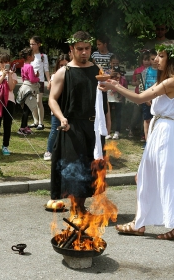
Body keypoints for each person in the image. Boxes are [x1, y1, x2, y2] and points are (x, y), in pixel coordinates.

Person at [99, 40, 174, 240]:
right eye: (156, 55)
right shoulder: (166, 80)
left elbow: (139, 99)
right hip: (160, 128)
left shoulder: (171, 81)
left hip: (165, 131)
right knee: (145, 176)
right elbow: (150, 100)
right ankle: (140, 222)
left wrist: (114, 85)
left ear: (172, 59)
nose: (156, 59)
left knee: (166, 179)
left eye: (161, 56)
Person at [48, 31, 107, 212]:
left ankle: (81, 206)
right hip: (72, 126)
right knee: (76, 168)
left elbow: (104, 102)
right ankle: (77, 208)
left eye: (87, 48)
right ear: (71, 49)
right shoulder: (64, 72)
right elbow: (52, 99)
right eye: (79, 49)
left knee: (92, 168)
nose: (84, 52)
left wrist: (107, 126)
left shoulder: (97, 71)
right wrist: (62, 118)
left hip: (94, 126)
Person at [43, 54, 70, 161]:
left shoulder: (72, 75)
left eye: (66, 65)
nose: (63, 67)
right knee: (55, 130)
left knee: (67, 130)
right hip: (57, 107)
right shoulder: (55, 76)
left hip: (68, 107)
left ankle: (64, 151)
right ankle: (49, 151)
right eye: (61, 65)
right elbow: (52, 93)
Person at [0, 53, 17, 155]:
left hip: (9, 101)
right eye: (2, 62)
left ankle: (5, 146)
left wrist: (9, 74)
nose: (4, 64)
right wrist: (3, 75)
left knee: (7, 124)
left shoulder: (13, 74)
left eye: (7, 62)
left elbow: (11, 87)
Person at [29, 35, 51, 130]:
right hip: (30, 82)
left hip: (40, 81)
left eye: (33, 44)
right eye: (30, 44)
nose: (31, 46)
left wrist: (49, 81)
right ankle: (35, 121)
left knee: (38, 101)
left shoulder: (43, 56)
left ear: (38, 44)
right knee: (32, 101)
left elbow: (46, 69)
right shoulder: (29, 56)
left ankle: (41, 123)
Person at [16, 47, 40, 135]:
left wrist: (34, 75)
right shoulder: (30, 66)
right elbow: (32, 79)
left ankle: (25, 126)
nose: (34, 56)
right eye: (33, 55)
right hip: (29, 89)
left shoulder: (23, 67)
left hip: (24, 87)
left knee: (26, 108)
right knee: (27, 109)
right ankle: (22, 127)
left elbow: (23, 78)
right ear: (29, 57)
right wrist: (37, 77)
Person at [127, 50, 150, 139]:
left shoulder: (152, 70)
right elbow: (132, 82)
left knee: (145, 116)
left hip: (148, 96)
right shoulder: (138, 70)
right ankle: (131, 129)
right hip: (138, 95)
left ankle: (143, 133)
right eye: (145, 59)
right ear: (142, 60)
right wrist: (136, 83)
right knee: (136, 115)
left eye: (149, 60)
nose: (147, 62)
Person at [105, 54, 128, 140]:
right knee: (108, 114)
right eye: (113, 63)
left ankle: (117, 131)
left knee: (118, 115)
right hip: (109, 96)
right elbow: (104, 82)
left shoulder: (122, 72)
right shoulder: (107, 72)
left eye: (117, 63)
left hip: (118, 96)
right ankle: (107, 132)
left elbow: (124, 84)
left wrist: (119, 76)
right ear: (110, 63)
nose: (115, 65)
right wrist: (110, 75)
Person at [140, 48, 158, 149]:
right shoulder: (145, 71)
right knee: (147, 120)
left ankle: (155, 140)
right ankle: (147, 140)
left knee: (156, 120)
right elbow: (142, 85)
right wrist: (145, 98)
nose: (154, 60)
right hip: (147, 99)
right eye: (152, 59)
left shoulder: (162, 72)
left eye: (156, 58)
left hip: (158, 99)